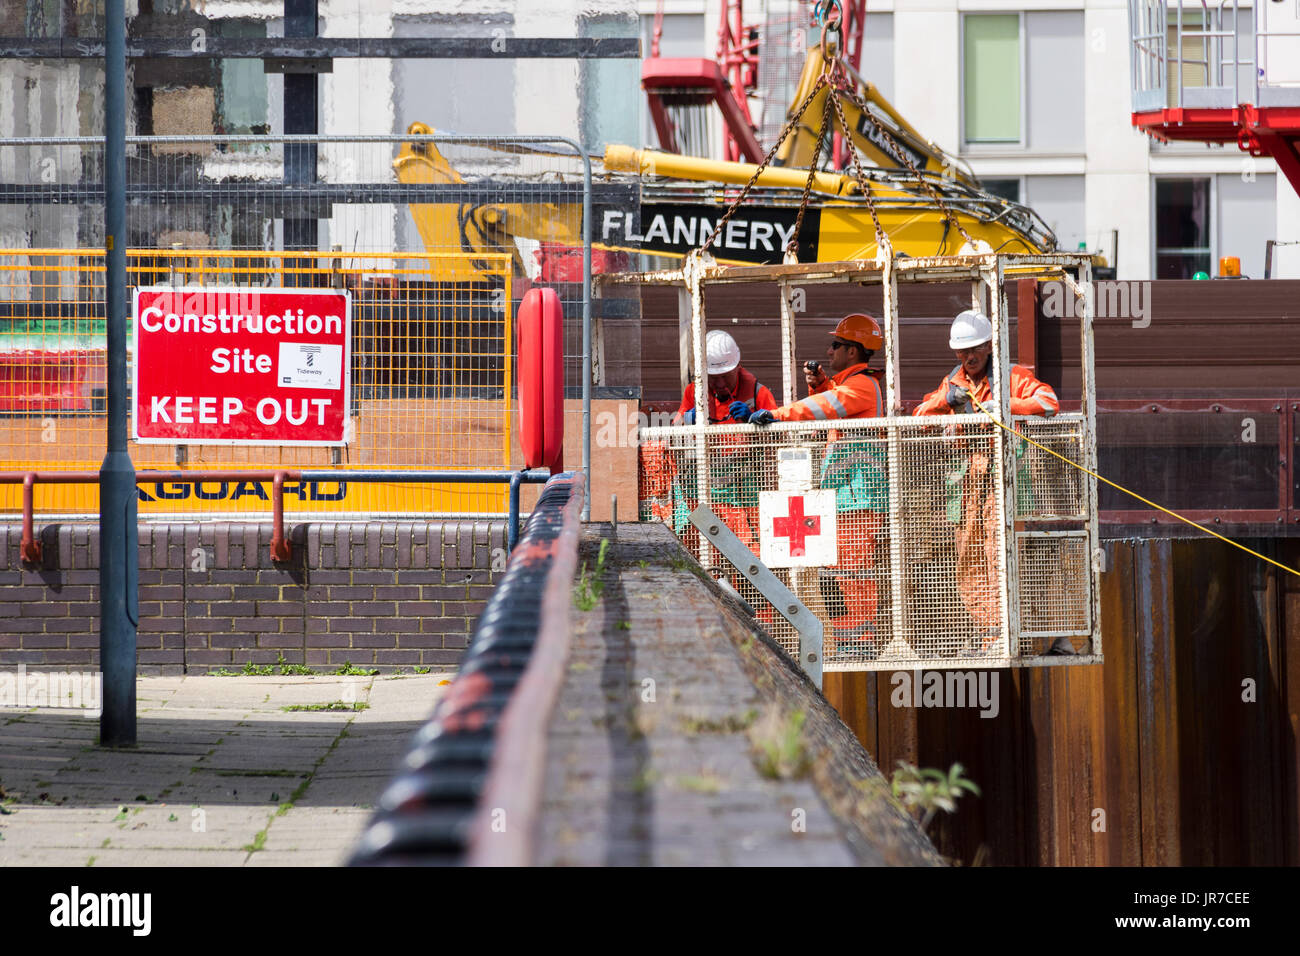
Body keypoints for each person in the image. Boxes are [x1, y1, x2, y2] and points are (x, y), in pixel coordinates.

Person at [913, 308, 1064, 654]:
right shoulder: (953, 382)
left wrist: (1004, 407)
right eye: (962, 352)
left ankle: (1006, 632)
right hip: (965, 480)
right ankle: (990, 631)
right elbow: (919, 418)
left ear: (989, 345)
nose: (968, 358)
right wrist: (944, 400)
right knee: (968, 556)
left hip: (1003, 476)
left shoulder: (1011, 375)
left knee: (1000, 551)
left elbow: (1049, 402)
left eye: (974, 350)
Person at [751, 314, 888, 652]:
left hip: (859, 497)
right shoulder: (855, 386)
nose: (829, 350)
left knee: (851, 575)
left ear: (853, 351)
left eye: (836, 345)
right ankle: (847, 642)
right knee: (839, 573)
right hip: (849, 496)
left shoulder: (861, 386)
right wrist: (819, 383)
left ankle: (858, 643)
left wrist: (778, 414)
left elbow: (824, 408)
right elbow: (833, 401)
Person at [674, 329, 778, 424]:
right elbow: (673, 434)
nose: (720, 384)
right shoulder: (693, 392)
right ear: (704, 374)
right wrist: (686, 420)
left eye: (725, 376)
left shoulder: (759, 394)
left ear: (737, 367)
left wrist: (753, 420)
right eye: (713, 377)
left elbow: (780, 436)